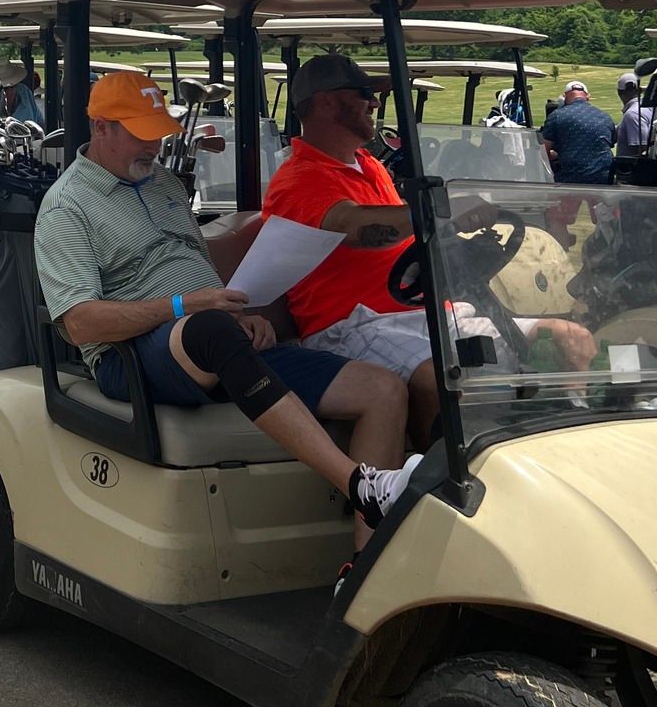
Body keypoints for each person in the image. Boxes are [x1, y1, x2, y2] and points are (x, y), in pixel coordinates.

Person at [34, 71, 417, 558]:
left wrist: (239, 312)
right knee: (210, 328)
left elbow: (196, 272)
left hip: (210, 341)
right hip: (129, 357)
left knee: (382, 388)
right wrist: (183, 307)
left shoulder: (163, 185)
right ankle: (360, 485)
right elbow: (79, 322)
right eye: (140, 134)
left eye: (158, 134)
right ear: (100, 127)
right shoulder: (67, 207)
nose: (153, 147)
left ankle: (365, 570)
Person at [262, 54, 594, 440]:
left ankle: (569, 442)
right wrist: (442, 211)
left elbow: (404, 231)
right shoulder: (300, 178)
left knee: (572, 337)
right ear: (325, 102)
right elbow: (353, 225)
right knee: (442, 377)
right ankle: (443, 479)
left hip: (421, 313)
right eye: (364, 94)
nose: (374, 103)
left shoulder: (367, 165)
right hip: (352, 323)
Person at [541, 80, 615, 186]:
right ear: (587, 96)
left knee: (567, 201)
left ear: (564, 96)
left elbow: (543, 152)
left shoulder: (556, 116)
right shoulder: (605, 117)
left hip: (570, 176)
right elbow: (609, 143)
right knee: (597, 202)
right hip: (602, 176)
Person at [614, 71, 653, 161]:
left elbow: (641, 149)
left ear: (619, 92)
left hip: (632, 171)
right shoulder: (647, 107)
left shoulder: (632, 114)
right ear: (639, 91)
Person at [0, 60, 44, 126]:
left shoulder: (25, 92)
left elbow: (40, 123)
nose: (8, 92)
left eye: (12, 87)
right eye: (4, 88)